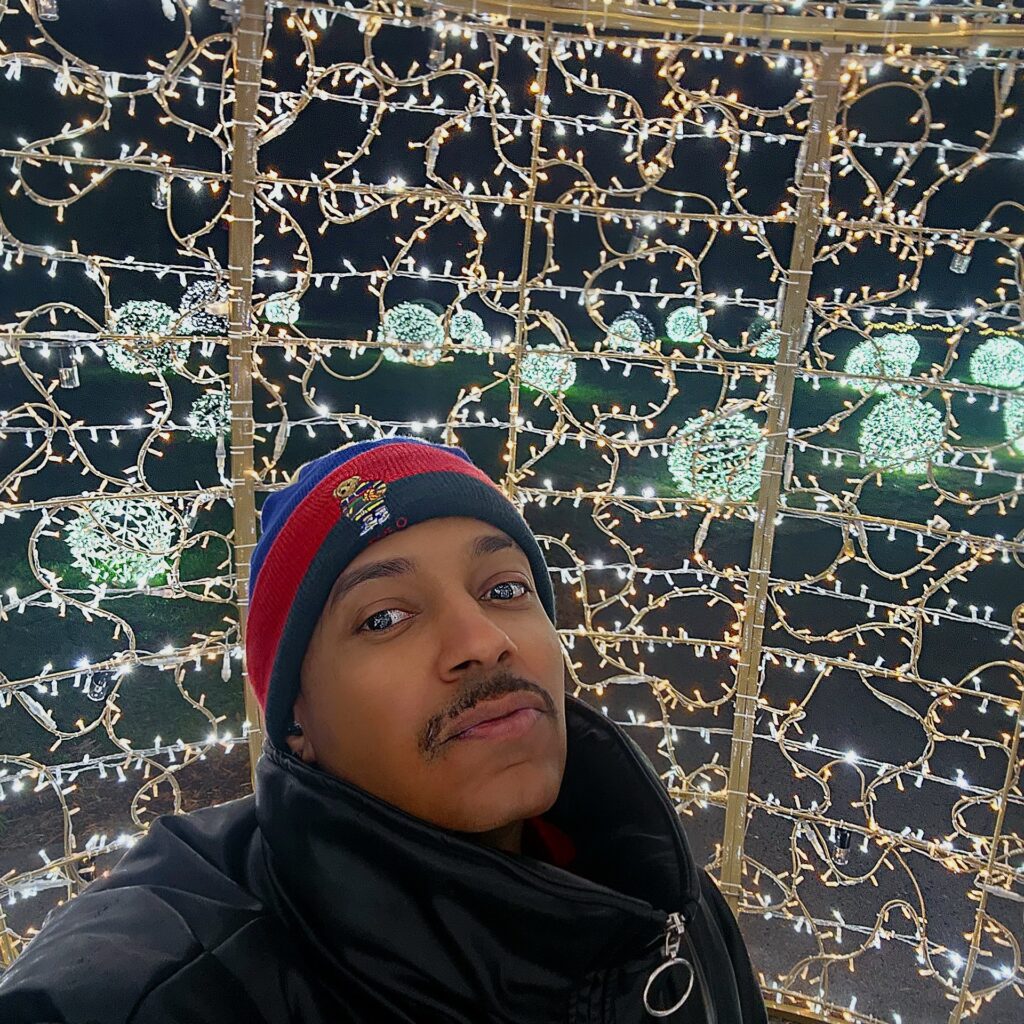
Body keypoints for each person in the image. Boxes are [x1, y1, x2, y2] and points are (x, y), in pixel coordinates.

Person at [0, 438, 767, 1024]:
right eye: (385, 618)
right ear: (295, 720)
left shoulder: (663, 895)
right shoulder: (168, 986)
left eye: (505, 588)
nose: (483, 641)